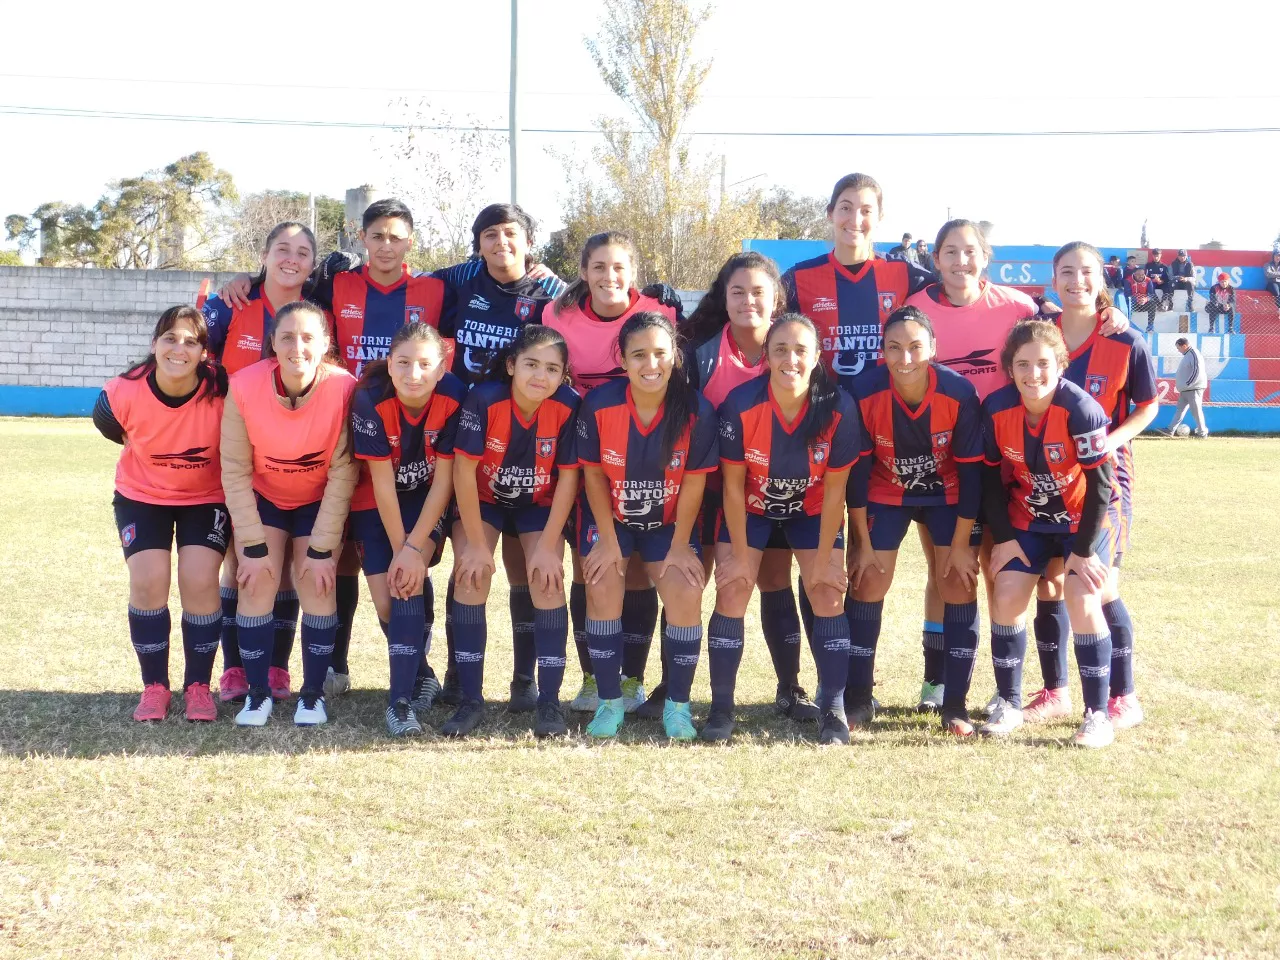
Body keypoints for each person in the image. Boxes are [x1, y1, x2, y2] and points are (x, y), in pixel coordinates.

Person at [433, 203, 567, 714]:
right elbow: (408, 280)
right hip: (474, 439)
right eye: (490, 235)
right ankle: (460, 679)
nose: (501, 243)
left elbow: (602, 298)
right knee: (470, 567)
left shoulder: (551, 292)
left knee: (530, 573)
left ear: (529, 241)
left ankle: (526, 683)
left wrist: (658, 299)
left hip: (534, 457)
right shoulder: (463, 279)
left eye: (511, 234)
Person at [542, 231, 681, 717]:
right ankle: (592, 677)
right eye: (599, 266)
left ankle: (632, 678)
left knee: (640, 570)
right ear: (583, 272)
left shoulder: (660, 312)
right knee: (593, 566)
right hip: (582, 455)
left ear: (634, 272)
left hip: (647, 460)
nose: (609, 276)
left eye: (619, 266)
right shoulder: (556, 315)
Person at [683, 251, 820, 725]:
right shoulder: (701, 353)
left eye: (758, 291)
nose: (748, 301)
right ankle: (673, 688)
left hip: (776, 493)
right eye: (737, 291)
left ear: (776, 298)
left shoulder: (792, 348)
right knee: (694, 584)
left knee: (774, 580)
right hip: (710, 491)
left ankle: (790, 687)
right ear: (723, 298)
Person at [1027, 242, 1158, 729]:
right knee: (1050, 582)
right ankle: (1055, 690)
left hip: (1105, 482)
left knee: (1099, 586)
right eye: (1066, 271)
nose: (1076, 281)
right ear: (1053, 278)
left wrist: (1111, 440)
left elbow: (1147, 405)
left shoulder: (1125, 339)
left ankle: (1124, 695)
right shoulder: (1041, 333)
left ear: (1101, 278)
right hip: (1046, 479)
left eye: (1086, 272)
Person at [712, 314, 859, 744]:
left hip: (812, 510)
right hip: (752, 509)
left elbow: (835, 493)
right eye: (780, 350)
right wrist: (741, 556)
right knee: (735, 586)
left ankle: (833, 710)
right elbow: (733, 488)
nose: (790, 359)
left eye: (800, 351)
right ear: (766, 356)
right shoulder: (741, 404)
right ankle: (722, 709)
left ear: (816, 357)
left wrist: (826, 561)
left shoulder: (838, 407)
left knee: (826, 590)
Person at [575, 312, 716, 740]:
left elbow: (694, 483)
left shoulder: (696, 409)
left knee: (687, 590)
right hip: (611, 518)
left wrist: (680, 545)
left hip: (668, 524)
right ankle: (609, 702)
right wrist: (606, 540)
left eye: (660, 353)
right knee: (601, 584)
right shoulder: (599, 405)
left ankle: (678, 706)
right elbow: (593, 476)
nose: (650, 364)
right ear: (622, 359)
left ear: (675, 355)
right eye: (638, 355)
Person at [202, 221, 326, 706]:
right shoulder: (230, 304)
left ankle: (277, 665)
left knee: (288, 567)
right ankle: (235, 667)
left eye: (302, 252)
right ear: (265, 254)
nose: (291, 259)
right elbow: (188, 352)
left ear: (312, 264)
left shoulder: (315, 312)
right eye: (282, 249)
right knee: (241, 561)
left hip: (292, 459)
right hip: (231, 453)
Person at [845, 307, 984, 736]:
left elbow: (973, 476)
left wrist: (961, 546)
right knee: (868, 578)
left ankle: (953, 704)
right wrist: (860, 543)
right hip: (886, 491)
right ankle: (857, 696)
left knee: (957, 581)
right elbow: (857, 474)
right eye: (894, 347)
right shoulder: (863, 391)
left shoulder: (959, 393)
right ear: (882, 351)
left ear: (933, 349)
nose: (905, 358)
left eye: (915, 347)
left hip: (948, 493)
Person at [981, 320, 1120, 749]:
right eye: (1023, 364)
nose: (1033, 373)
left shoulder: (1082, 409)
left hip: (1084, 520)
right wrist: (1004, 537)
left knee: (1082, 596)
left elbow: (1101, 484)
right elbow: (988, 479)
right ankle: (1008, 703)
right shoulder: (996, 408)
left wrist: (1083, 551)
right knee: (1006, 593)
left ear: (1061, 365)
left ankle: (1097, 715)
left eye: (1043, 363)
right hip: (1029, 519)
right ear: (1010, 368)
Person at [219, 301, 358, 727]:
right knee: (256, 580)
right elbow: (235, 469)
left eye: (308, 337)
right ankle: (257, 694)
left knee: (318, 581)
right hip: (265, 497)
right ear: (273, 344)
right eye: (287, 337)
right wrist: (251, 546)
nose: (298, 347)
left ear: (326, 344)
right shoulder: (244, 385)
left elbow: (343, 472)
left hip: (318, 500)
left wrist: (322, 550)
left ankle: (312, 696)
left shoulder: (344, 388)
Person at [93, 306, 231, 722]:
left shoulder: (222, 390)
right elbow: (108, 424)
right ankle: (155, 686)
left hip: (206, 496)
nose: (179, 349)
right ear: (154, 344)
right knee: (148, 580)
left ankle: (198, 687)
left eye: (191, 341)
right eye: (170, 338)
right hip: (142, 495)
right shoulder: (122, 391)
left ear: (204, 353)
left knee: (200, 579)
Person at [448, 325, 581, 738]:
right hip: (483, 500)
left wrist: (548, 546)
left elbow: (569, 479)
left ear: (563, 375)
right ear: (511, 365)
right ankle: (470, 699)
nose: (541, 376)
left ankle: (546, 700)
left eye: (552, 369)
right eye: (531, 364)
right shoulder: (485, 399)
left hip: (538, 504)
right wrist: (475, 544)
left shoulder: (568, 405)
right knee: (470, 576)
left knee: (547, 580)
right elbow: (463, 472)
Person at [348, 322, 463, 736]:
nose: (414, 374)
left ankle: (399, 704)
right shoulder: (369, 397)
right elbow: (381, 483)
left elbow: (445, 482)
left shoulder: (454, 396)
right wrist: (404, 551)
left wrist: (415, 551)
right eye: (403, 363)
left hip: (426, 498)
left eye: (425, 364)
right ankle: (423, 675)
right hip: (375, 499)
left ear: (442, 367)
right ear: (389, 363)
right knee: (386, 602)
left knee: (406, 587)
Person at [1168, 337, 1209, 437]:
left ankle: (1202, 432)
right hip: (1186, 389)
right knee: (1180, 410)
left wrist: (1188, 383)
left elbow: (1197, 370)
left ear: (1184, 346)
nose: (1178, 350)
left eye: (1178, 348)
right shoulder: (1188, 355)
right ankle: (1170, 430)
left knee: (1196, 411)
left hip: (1193, 388)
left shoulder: (1194, 354)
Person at [1125, 266, 1161, 333]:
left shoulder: (1148, 280)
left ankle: (1150, 327)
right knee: (1126, 304)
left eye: (1142, 274)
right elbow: (1127, 295)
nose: (1141, 276)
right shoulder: (1128, 280)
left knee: (1152, 304)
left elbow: (1152, 294)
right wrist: (1136, 300)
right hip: (1133, 304)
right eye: (1138, 274)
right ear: (1134, 274)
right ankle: (1128, 325)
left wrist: (1146, 299)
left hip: (1144, 303)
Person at [1265, 251, 1280, 316]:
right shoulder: (1268, 265)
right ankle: (1279, 308)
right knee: (1277, 293)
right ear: (1273, 256)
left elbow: (1272, 274)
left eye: (1279, 256)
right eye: (1276, 256)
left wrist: (1274, 274)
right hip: (1271, 283)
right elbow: (1268, 274)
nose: (1278, 257)